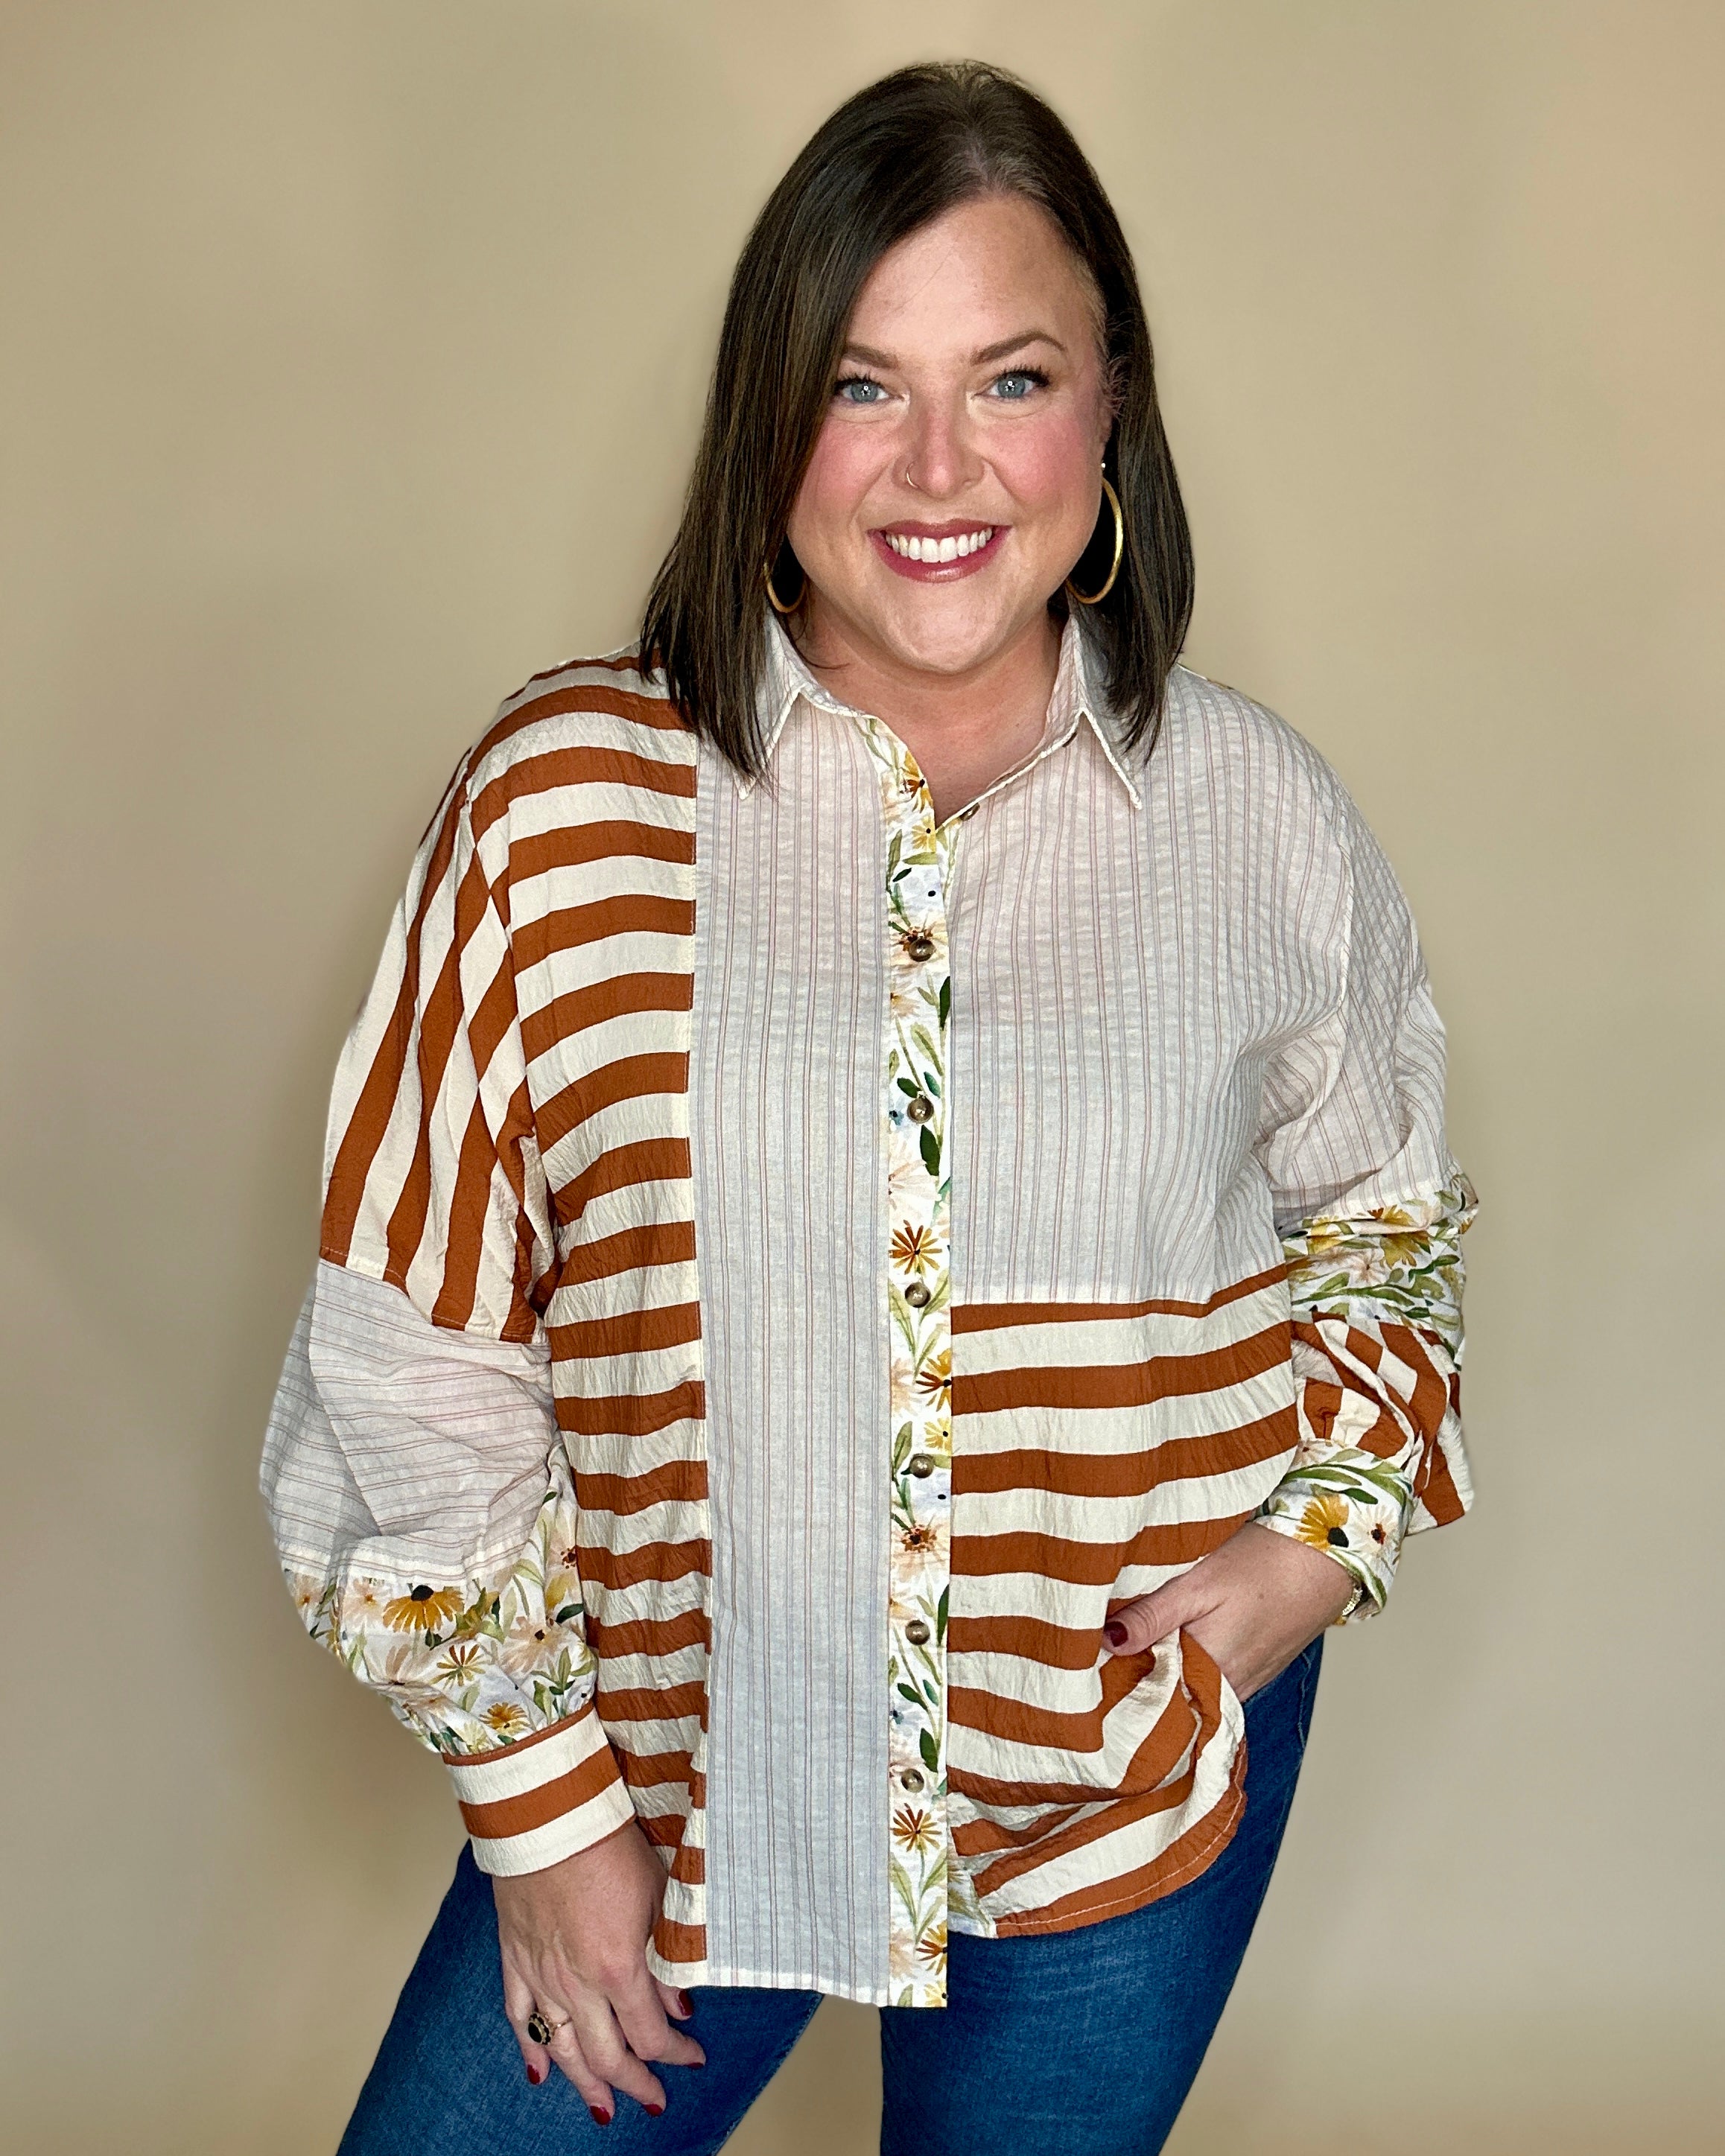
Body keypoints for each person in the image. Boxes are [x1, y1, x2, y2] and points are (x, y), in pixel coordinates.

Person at [261, 58, 1476, 2156]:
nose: (938, 468)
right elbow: (411, 1337)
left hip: (1118, 1793)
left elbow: (1390, 1219)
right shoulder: (560, 802)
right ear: (769, 419)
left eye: (1011, 379)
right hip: (667, 1787)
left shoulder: (1254, 818)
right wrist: (544, 1814)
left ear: (1112, 405)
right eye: (859, 385)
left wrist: (1316, 1544)